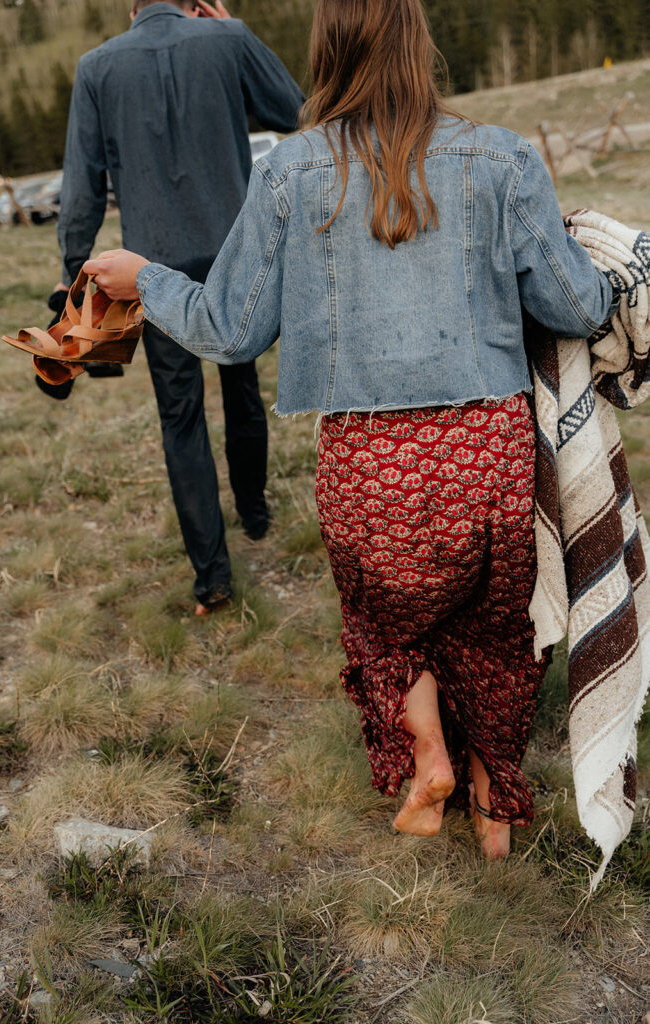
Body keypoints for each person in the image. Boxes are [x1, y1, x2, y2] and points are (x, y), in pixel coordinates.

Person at [82, 0, 617, 856]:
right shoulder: (500, 156)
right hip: (485, 445)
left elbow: (228, 329)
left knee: (383, 622)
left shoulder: (288, 174)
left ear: (326, 51)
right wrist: (588, 246)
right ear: (420, 47)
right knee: (493, 626)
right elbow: (576, 305)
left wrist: (146, 276)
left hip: (369, 460)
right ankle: (493, 798)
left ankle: (431, 760)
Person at [54, 0, 304, 614]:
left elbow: (82, 184)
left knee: (180, 416)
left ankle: (213, 577)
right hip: (234, 256)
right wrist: (229, 35)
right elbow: (297, 112)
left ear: (127, 5)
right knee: (242, 387)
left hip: (150, 272)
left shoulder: (96, 67)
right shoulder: (227, 38)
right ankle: (255, 513)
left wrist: (72, 274)